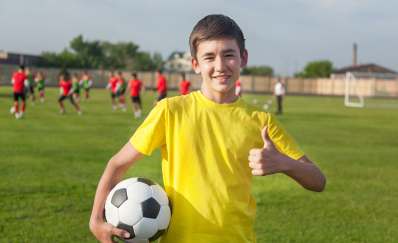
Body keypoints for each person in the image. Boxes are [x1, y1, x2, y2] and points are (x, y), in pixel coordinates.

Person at [89, 14, 326, 243]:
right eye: (209, 57)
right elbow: (118, 164)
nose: (220, 65)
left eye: (229, 54)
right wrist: (95, 219)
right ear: (196, 64)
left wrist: (284, 163)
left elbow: (318, 180)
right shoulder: (170, 111)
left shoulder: (261, 121)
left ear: (243, 58)